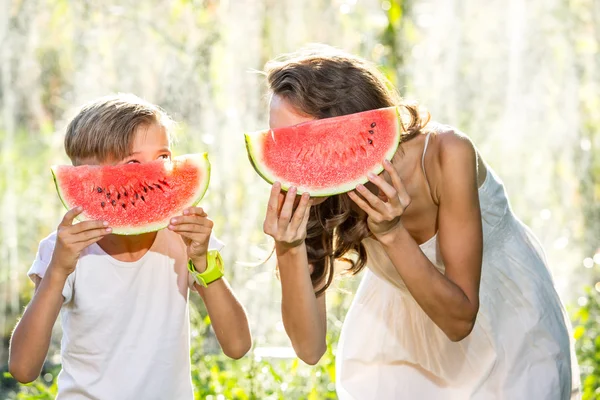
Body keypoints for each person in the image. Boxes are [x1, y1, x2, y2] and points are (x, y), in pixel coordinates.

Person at [262, 46, 581, 399]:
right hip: (401, 341)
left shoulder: (447, 154)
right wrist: (287, 246)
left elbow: (460, 322)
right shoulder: (320, 196)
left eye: (305, 143)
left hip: (504, 325)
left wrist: (392, 234)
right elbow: (309, 349)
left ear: (352, 123)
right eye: (281, 145)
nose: (296, 164)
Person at [8, 94, 251, 399]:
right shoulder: (66, 249)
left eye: (163, 158)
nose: (153, 175)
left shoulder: (182, 237)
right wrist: (57, 270)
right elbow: (23, 368)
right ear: (90, 179)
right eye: (133, 163)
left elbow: (238, 345)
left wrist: (203, 262)